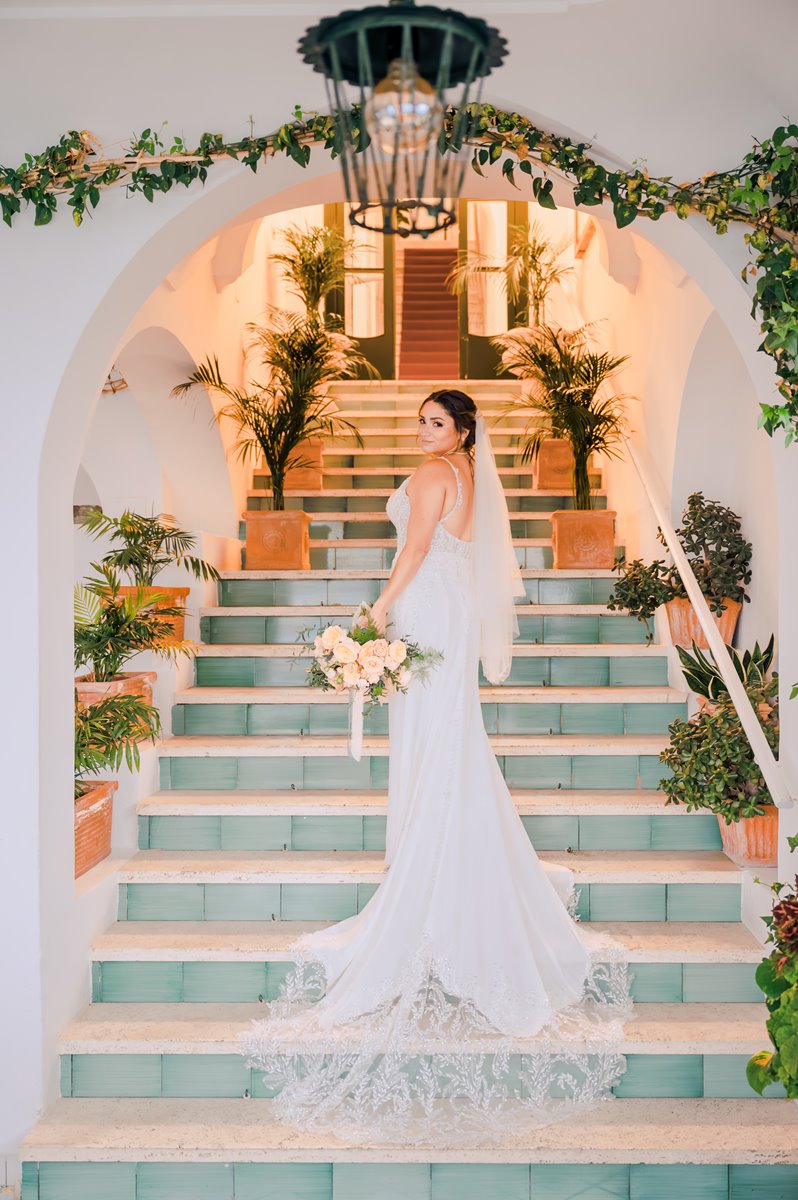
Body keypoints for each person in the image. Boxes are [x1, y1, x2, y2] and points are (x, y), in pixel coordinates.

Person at [241, 389, 632, 1144]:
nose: (422, 430)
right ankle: (453, 869)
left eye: (435, 423)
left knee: (432, 745)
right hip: (448, 613)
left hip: (423, 606)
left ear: (461, 431)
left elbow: (414, 551)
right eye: (420, 420)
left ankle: (430, 882)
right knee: (449, 742)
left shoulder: (430, 478)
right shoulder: (470, 476)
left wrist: (376, 612)